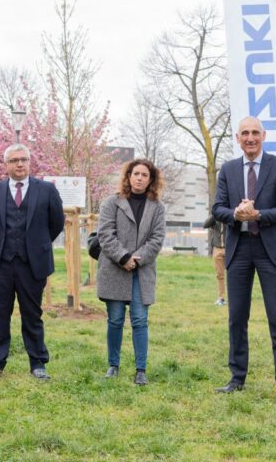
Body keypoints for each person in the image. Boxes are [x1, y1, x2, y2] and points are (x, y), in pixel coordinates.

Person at [212, 116, 276, 404]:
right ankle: (237, 378)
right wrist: (236, 214)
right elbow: (217, 208)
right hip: (239, 249)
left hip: (270, 249)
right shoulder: (228, 169)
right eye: (245, 133)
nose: (250, 138)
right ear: (238, 138)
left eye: (255, 133)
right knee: (236, 317)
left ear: (264, 136)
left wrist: (258, 214)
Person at [0, 144, 64, 381]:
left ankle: (38, 363)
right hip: (1, 263)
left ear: (29, 162)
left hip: (32, 264)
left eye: (24, 159)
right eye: (14, 160)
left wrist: (37, 244)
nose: (20, 164)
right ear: (6, 164)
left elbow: (56, 223)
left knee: (32, 315)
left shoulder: (46, 190)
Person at [96, 159, 165, 386]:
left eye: (145, 175)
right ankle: (113, 365)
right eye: (136, 174)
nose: (139, 178)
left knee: (140, 320)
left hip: (141, 271)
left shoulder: (157, 207)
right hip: (114, 268)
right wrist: (123, 257)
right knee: (115, 320)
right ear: (128, 176)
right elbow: (105, 234)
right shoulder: (111, 202)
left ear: (151, 180)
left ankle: (141, 370)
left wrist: (136, 259)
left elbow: (157, 239)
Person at [203, 214, 226, 306]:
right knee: (219, 275)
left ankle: (234, 298)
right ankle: (221, 298)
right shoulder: (215, 217)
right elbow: (205, 225)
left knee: (233, 275)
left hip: (230, 248)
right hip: (217, 248)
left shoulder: (229, 214)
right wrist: (215, 214)